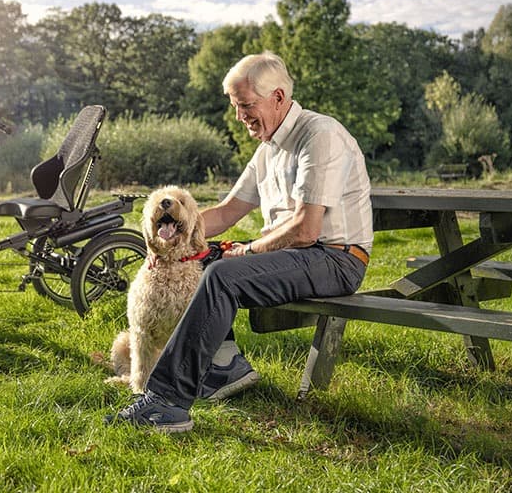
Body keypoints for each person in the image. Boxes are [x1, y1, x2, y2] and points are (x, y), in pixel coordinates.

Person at [106, 51, 373, 433]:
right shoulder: (268, 149)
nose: (240, 116)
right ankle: (225, 366)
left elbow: (306, 229)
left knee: (221, 274)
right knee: (206, 257)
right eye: (235, 106)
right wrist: (170, 236)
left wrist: (247, 250)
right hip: (299, 255)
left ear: (278, 97)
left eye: (246, 105)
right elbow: (229, 211)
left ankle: (167, 403)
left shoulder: (320, 135)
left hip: (335, 258)